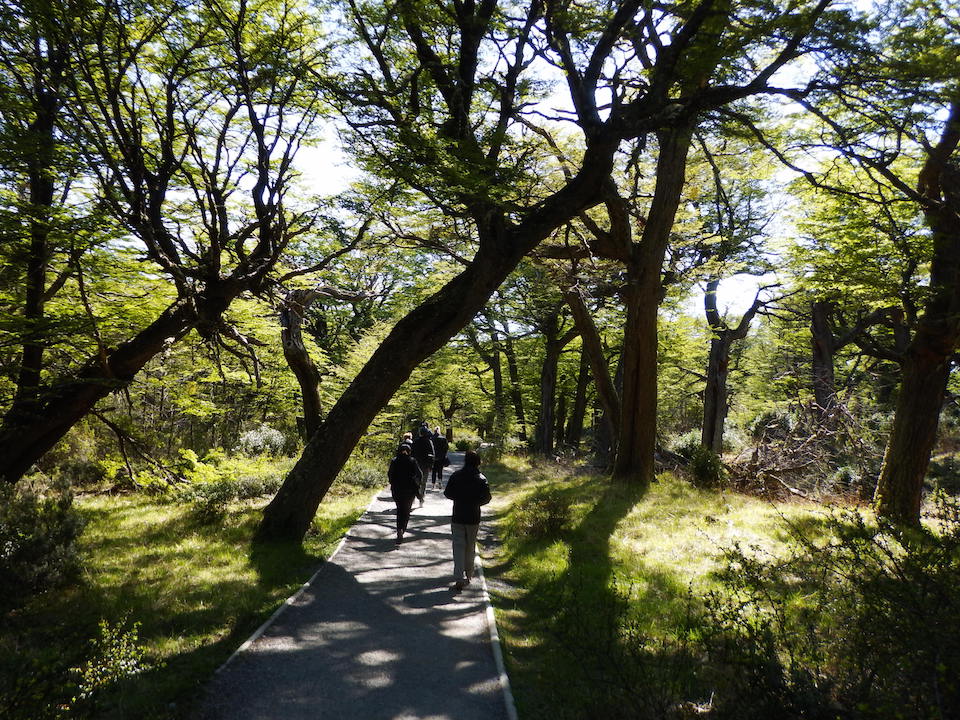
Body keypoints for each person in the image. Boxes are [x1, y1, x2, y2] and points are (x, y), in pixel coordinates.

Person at [443, 450, 491, 591]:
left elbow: (447, 493)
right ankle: (469, 574)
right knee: (470, 546)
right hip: (473, 517)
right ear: (478, 462)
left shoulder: (456, 476)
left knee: (458, 547)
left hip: (457, 515)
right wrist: (476, 503)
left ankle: (458, 577)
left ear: (465, 461)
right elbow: (487, 498)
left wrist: (459, 499)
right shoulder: (481, 478)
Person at [388, 443, 421, 545]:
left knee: (399, 510)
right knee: (406, 511)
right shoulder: (412, 461)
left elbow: (390, 474)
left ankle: (399, 529)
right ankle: (402, 529)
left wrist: (392, 483)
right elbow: (419, 474)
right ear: (409, 451)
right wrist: (417, 483)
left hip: (397, 490)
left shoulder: (394, 461)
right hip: (410, 490)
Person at [410, 426, 434, 505]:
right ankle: (421, 498)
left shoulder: (415, 441)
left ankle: (413, 498)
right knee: (423, 482)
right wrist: (431, 466)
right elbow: (432, 454)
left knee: (415, 482)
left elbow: (411, 453)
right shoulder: (429, 442)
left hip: (416, 465)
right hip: (425, 465)